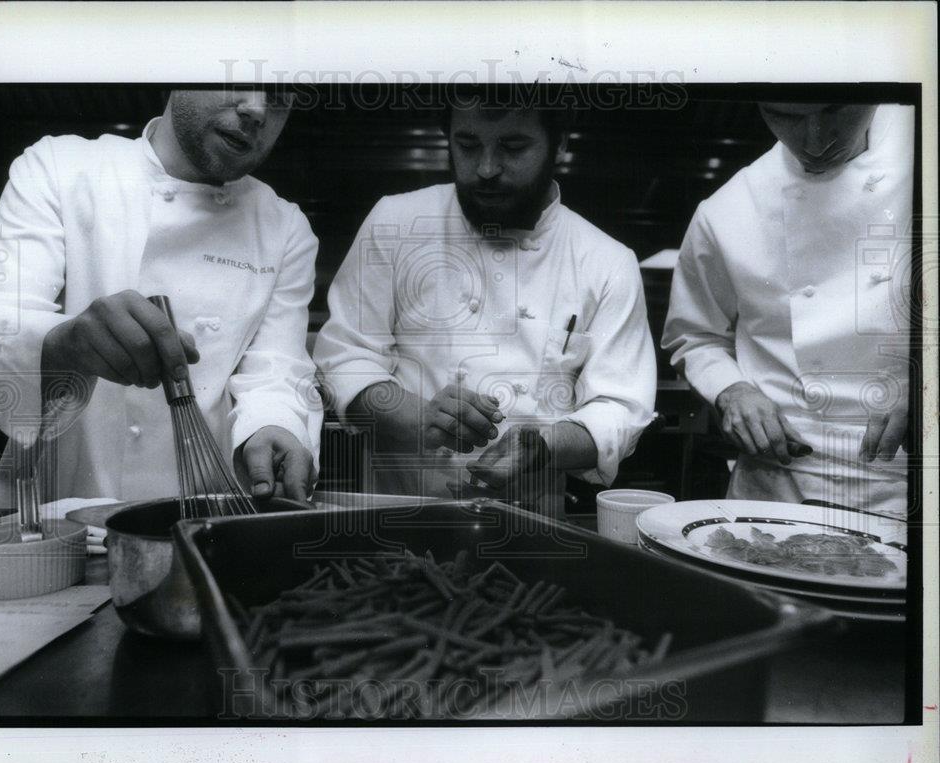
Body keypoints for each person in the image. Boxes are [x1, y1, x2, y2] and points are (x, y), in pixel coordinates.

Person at [314, 86, 656, 516]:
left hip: (529, 524)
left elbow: (620, 409)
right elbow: (345, 357)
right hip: (398, 512)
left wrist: (545, 446)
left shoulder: (607, 262)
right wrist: (419, 417)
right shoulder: (395, 222)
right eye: (467, 145)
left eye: (513, 147)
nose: (487, 168)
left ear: (560, 144)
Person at [0, 89, 322, 507]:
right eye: (237, 78)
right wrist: (68, 343)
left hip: (207, 514)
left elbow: (276, 371)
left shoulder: (286, 227)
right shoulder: (59, 168)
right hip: (59, 516)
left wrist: (274, 425)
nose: (258, 110)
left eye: (280, 98)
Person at [662, 102, 913, 517]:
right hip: (777, 482)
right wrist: (732, 390)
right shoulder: (727, 210)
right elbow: (695, 336)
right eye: (787, 117)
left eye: (835, 111)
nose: (816, 141)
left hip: (912, 482)